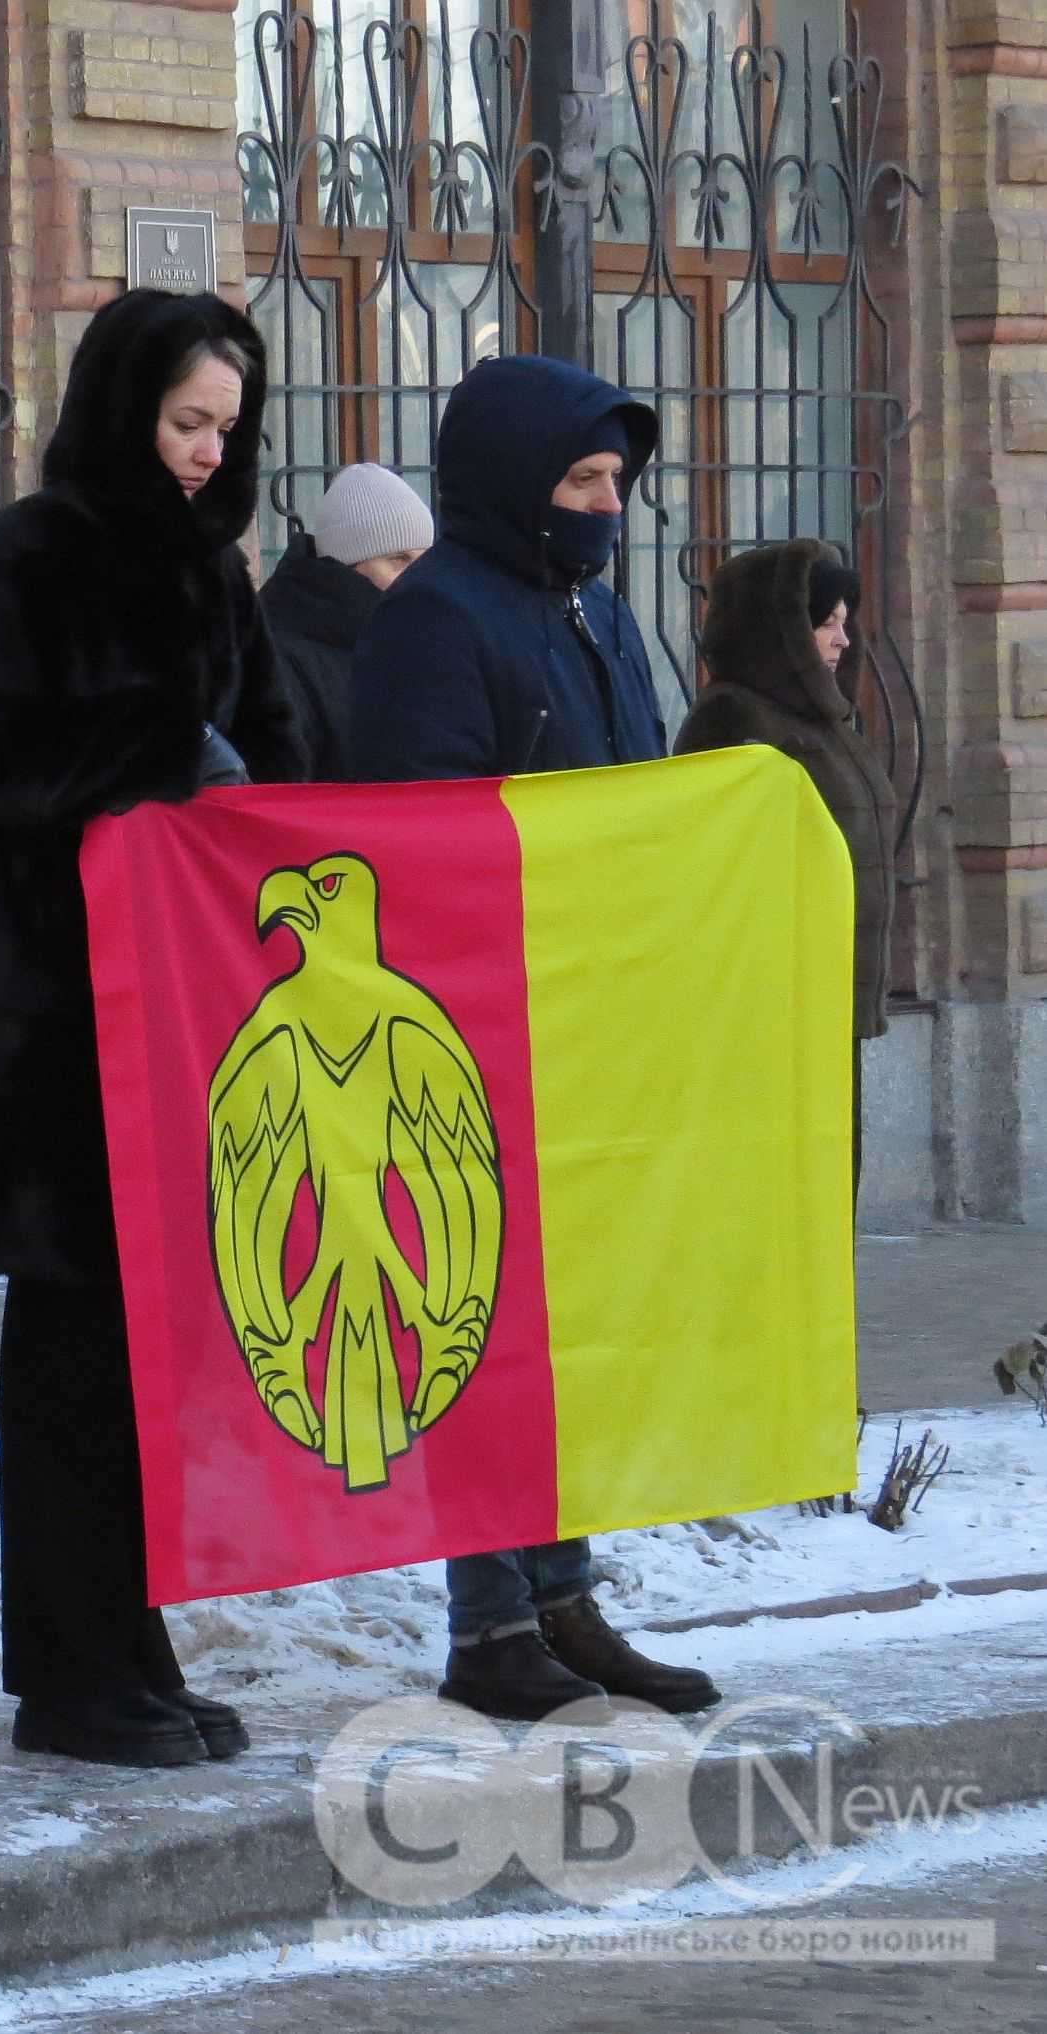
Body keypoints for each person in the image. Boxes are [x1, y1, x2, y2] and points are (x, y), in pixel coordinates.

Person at [0, 289, 302, 1770]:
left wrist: (255, 783)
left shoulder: (211, 566)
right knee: (75, 1361)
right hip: (64, 1025)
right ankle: (68, 1672)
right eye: (184, 421)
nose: (207, 452)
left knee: (160, 1361)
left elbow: (275, 746)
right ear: (119, 409)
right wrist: (158, 756)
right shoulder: (32, 552)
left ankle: (133, 1644)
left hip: (193, 1013)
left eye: (225, 427)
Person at [346, 353, 721, 1723]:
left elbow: (637, 789)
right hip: (478, 1030)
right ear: (514, 481)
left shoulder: (595, 610)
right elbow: (418, 842)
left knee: (567, 1330)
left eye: (615, 479)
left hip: (593, 1019)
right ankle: (489, 1622)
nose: (607, 504)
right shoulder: (433, 620)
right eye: (581, 478)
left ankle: (561, 1596)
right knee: (484, 1325)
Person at [675, 542, 898, 1192]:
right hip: (772, 999)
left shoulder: (829, 725)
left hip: (828, 993)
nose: (841, 640)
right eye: (824, 623)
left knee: (830, 1176)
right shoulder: (731, 718)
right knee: (779, 1181)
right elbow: (715, 863)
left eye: (844, 623)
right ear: (781, 632)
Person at [258, 462, 432, 780]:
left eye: (426, 561)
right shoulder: (278, 658)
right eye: (399, 559)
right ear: (346, 561)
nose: (420, 578)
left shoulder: (419, 639)